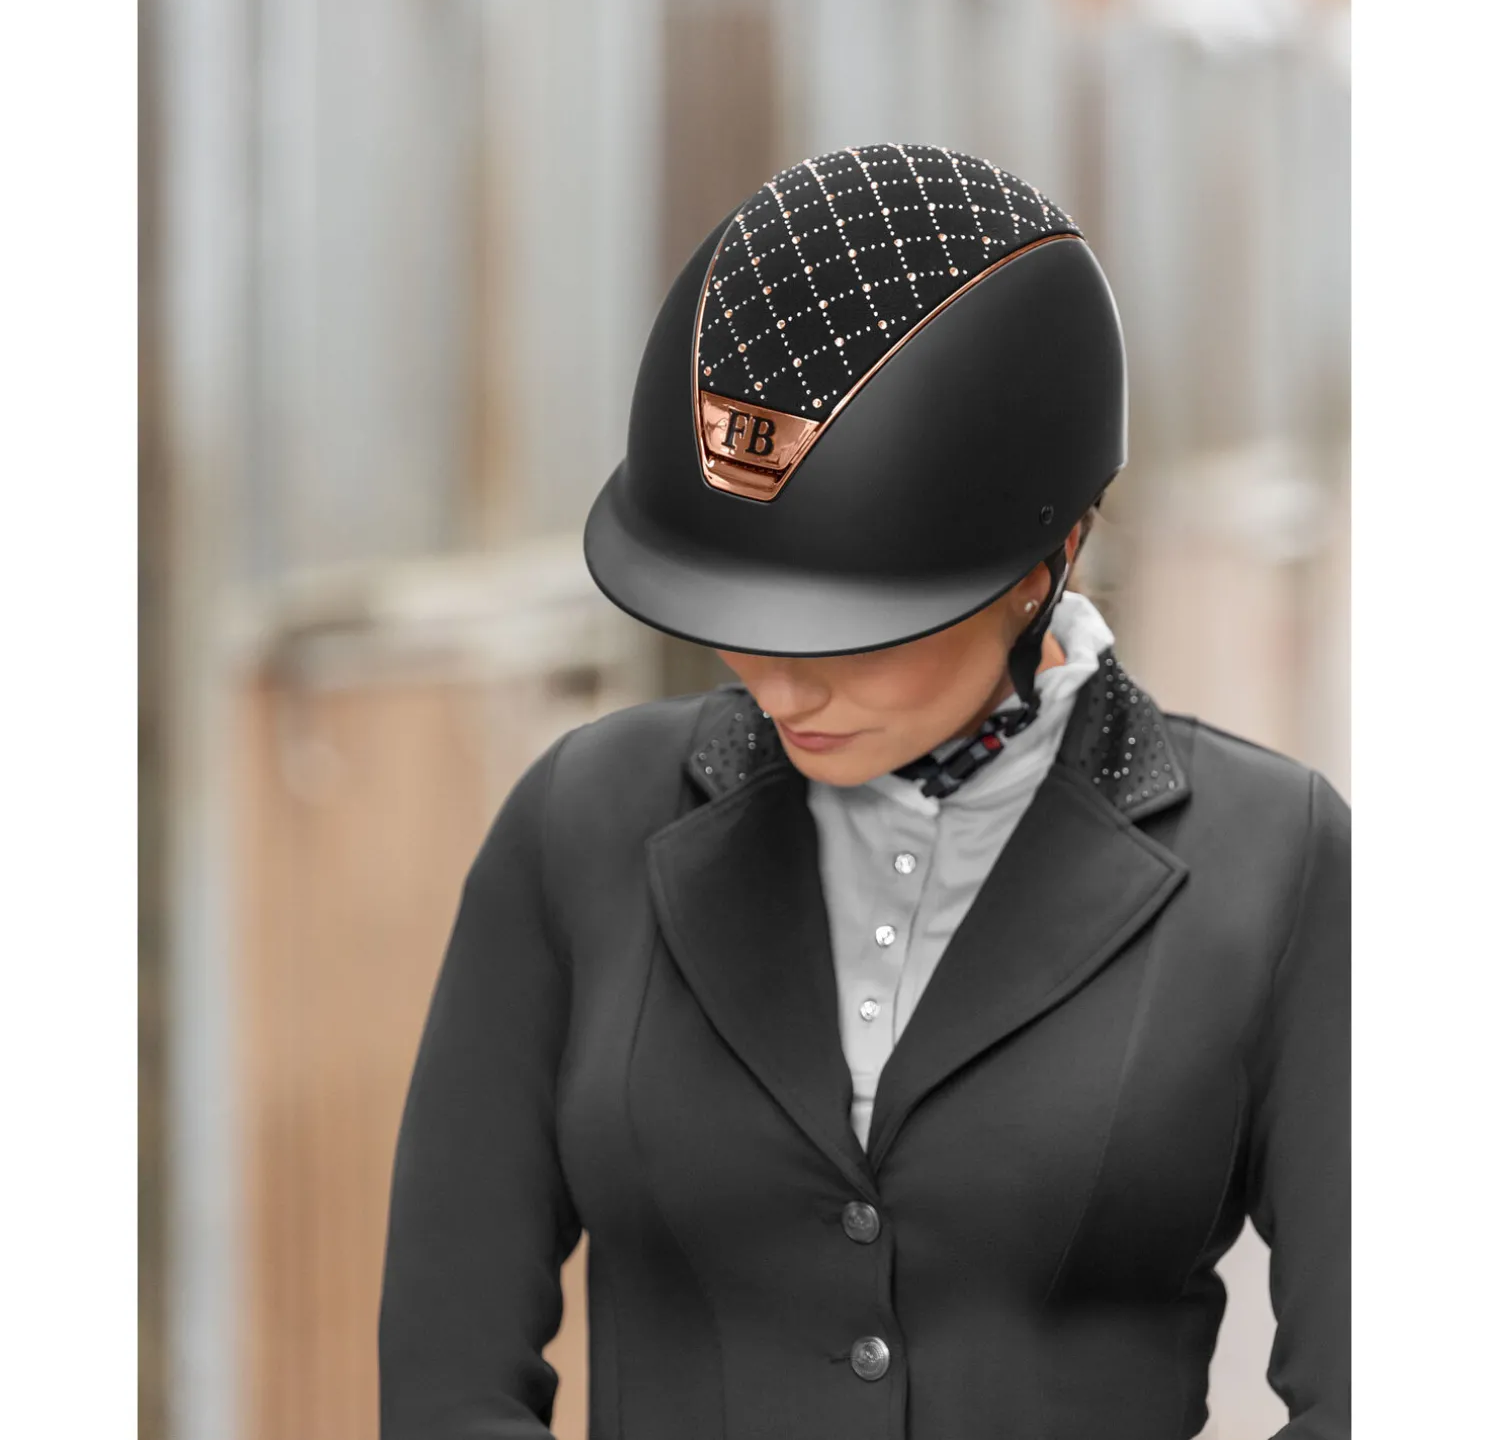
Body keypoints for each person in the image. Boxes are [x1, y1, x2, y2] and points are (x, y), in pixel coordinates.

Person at [378, 144, 1349, 1440]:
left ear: (1045, 559)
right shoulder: (582, 824)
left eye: (852, 634)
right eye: (738, 621)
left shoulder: (1276, 864)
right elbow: (448, 1374)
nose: (780, 686)